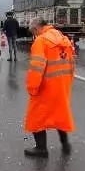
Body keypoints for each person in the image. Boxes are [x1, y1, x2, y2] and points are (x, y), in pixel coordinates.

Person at [24, 17, 75, 157]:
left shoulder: (41, 41)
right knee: (60, 114)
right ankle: (65, 144)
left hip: (45, 87)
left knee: (35, 116)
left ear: (36, 29)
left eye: (33, 32)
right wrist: (67, 82)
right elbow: (71, 63)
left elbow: (36, 68)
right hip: (62, 85)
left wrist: (32, 88)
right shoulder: (62, 38)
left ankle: (41, 149)